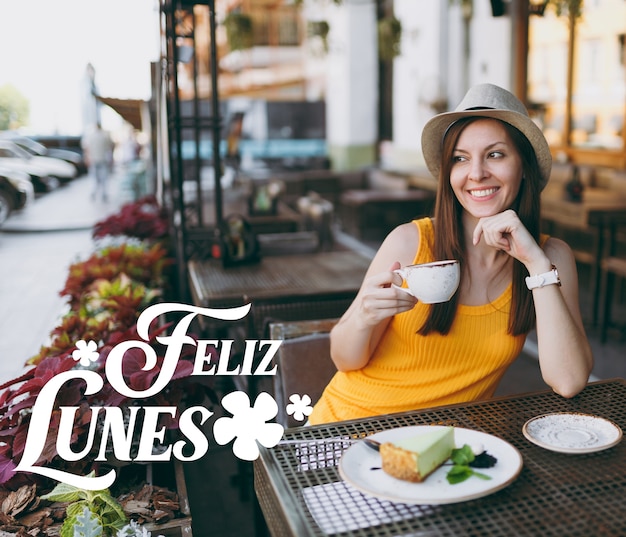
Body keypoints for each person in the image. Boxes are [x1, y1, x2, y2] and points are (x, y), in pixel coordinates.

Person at [308, 83, 593, 425]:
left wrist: (535, 264)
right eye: (460, 158)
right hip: (350, 432)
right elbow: (345, 359)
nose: (476, 173)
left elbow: (569, 381)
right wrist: (363, 318)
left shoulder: (550, 258)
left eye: (495, 154)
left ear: (524, 165)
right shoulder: (410, 242)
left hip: (446, 452)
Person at [81, 122, 114, 201]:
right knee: (103, 178)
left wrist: (87, 158)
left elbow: (86, 148)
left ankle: (94, 193)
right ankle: (103, 194)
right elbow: (111, 146)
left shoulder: (90, 136)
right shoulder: (105, 135)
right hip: (103, 159)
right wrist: (111, 158)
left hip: (94, 160)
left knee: (94, 178)